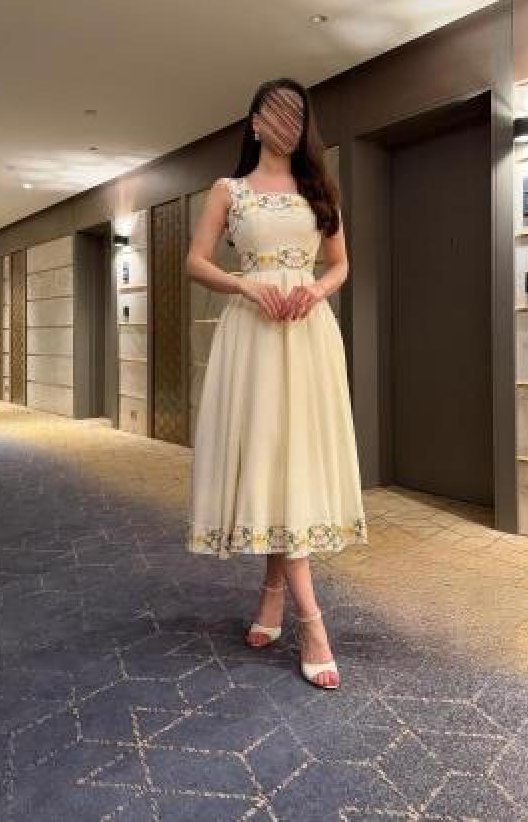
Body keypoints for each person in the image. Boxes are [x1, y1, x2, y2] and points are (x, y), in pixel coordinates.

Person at [185, 77, 368, 689]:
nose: (288, 123)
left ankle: (272, 596)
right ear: (255, 122)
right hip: (253, 337)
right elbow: (196, 261)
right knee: (267, 456)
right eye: (276, 112)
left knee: (293, 462)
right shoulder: (229, 191)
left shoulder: (320, 190)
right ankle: (312, 623)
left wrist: (316, 290)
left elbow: (340, 264)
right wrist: (244, 285)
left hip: (308, 337)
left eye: (298, 113)